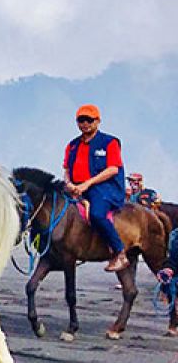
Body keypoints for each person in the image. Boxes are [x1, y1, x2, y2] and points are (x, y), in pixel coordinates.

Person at [63, 104, 129, 272]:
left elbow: (113, 169)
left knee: (97, 214)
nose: (85, 124)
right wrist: (69, 183)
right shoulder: (72, 145)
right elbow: (66, 169)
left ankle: (119, 252)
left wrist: (87, 184)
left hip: (104, 188)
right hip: (77, 187)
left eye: (89, 120)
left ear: (98, 121)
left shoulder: (109, 142)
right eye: (81, 120)